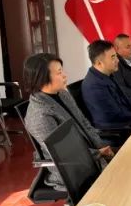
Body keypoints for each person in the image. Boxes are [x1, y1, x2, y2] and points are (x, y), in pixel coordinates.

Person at [23, 53, 114, 190]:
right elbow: (63, 153)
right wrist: (99, 153)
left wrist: (102, 147)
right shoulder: (39, 114)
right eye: (59, 72)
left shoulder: (63, 94)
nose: (65, 75)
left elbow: (84, 123)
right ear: (42, 78)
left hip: (92, 156)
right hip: (73, 171)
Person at [82, 40, 131, 130]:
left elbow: (124, 97)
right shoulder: (94, 85)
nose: (117, 60)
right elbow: (115, 114)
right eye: (113, 57)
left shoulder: (107, 74)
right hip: (116, 128)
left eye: (116, 56)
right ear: (99, 63)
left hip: (126, 120)